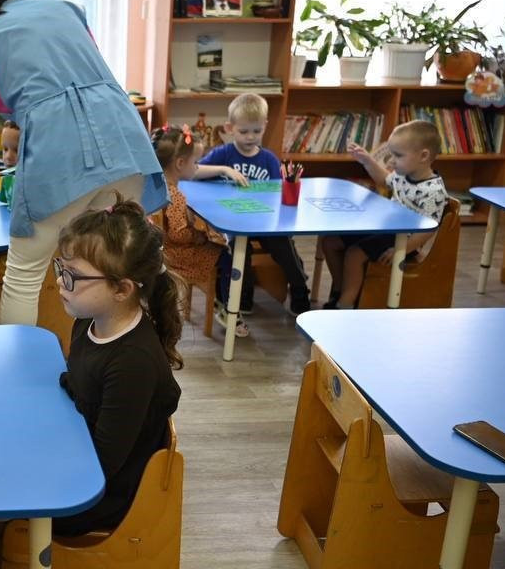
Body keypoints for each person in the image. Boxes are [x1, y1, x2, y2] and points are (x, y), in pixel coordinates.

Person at [0, 0, 166, 327]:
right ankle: (117, 351)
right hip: (124, 137)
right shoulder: (64, 9)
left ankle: (18, 363)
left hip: (59, 149)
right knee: (112, 268)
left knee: (24, 275)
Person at [53, 197, 182, 536]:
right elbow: (82, 385)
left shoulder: (132, 364)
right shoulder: (90, 319)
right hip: (80, 453)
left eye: (73, 276)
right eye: (61, 269)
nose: (60, 283)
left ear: (122, 289)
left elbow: (101, 467)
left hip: (101, 497)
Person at [196, 93, 311, 331]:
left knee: (284, 246)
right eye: (244, 131)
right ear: (230, 128)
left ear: (265, 126)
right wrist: (225, 170)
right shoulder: (223, 154)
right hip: (234, 223)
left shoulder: (269, 160)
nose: (250, 137)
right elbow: (193, 171)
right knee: (239, 250)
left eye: (257, 131)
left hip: (264, 223)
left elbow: (277, 192)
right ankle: (243, 297)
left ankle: (300, 290)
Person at [320, 120, 447, 309]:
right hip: (384, 230)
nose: (391, 161)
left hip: (402, 240)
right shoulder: (404, 175)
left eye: (398, 155)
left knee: (354, 254)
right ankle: (340, 289)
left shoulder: (433, 190)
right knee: (330, 241)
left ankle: (345, 304)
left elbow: (429, 229)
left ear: (423, 156)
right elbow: (384, 180)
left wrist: (401, 250)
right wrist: (367, 160)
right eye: (391, 154)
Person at [150, 124, 231, 329]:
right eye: (195, 162)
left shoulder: (159, 187)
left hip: (166, 251)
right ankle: (225, 304)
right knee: (225, 255)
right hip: (177, 256)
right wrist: (199, 236)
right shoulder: (175, 195)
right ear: (180, 163)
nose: (196, 167)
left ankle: (221, 299)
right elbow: (179, 234)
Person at [0, 120, 19, 205]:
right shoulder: (6, 176)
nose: (8, 157)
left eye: (17, 150)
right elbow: (3, 200)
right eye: (5, 149)